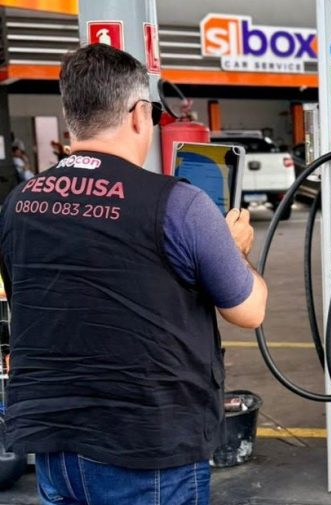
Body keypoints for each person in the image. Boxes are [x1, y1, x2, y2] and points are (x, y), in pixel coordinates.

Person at [0, 44, 267, 504]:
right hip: (149, 447)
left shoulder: (18, 204)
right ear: (140, 114)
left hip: (53, 444)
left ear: (70, 117)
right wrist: (234, 250)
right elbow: (250, 310)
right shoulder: (178, 204)